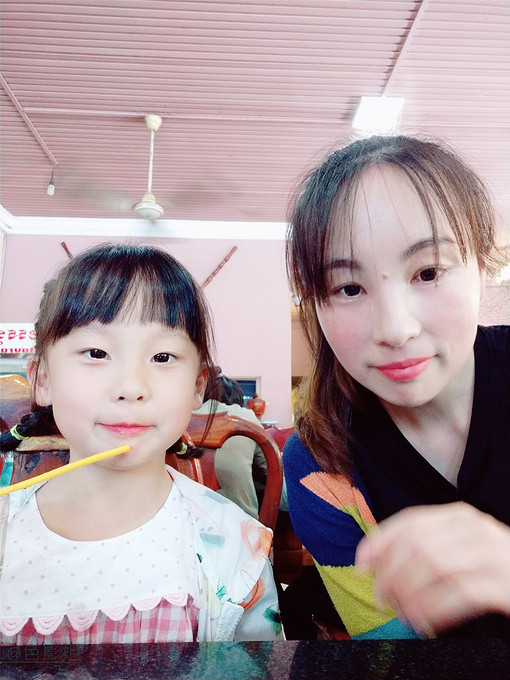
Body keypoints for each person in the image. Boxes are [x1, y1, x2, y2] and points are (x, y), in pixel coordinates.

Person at [284, 134, 510, 639]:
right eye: (349, 288)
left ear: (481, 268)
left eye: (428, 272)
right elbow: (388, 653)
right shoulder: (320, 466)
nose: (395, 329)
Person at [0, 244, 281, 645]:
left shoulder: (235, 547)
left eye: (162, 357)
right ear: (42, 379)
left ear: (197, 385)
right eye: (96, 352)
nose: (131, 387)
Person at [193, 368, 268, 519]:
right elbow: (270, 471)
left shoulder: (180, 419)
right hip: (241, 523)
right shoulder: (244, 417)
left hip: (186, 520)